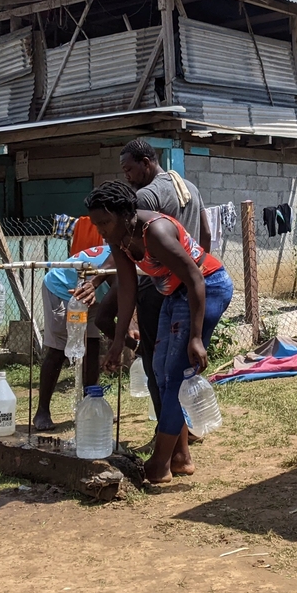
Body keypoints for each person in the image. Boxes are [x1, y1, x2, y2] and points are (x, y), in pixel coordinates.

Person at [85, 180, 232, 484]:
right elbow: (127, 289)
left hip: (207, 287)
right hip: (173, 294)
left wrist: (195, 337)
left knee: (176, 375)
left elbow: (195, 278)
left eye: (105, 222)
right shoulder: (120, 238)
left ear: (126, 213)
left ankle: (160, 463)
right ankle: (179, 458)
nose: (101, 231)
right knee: (159, 371)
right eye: (97, 224)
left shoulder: (156, 231)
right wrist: (117, 342)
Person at [110, 139, 210, 436]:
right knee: (180, 362)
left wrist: (99, 279)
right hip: (189, 285)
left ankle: (168, 434)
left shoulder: (145, 196)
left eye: (129, 169)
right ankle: (185, 429)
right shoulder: (189, 187)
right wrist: (196, 270)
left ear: (146, 162)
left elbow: (129, 245)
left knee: (158, 365)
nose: (127, 175)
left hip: (157, 288)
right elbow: (205, 234)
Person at [33, 242, 114, 431]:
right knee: (59, 350)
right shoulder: (121, 254)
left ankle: (91, 407)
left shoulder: (138, 254)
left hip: (91, 295)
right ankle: (42, 411)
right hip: (63, 290)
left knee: (92, 347)